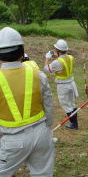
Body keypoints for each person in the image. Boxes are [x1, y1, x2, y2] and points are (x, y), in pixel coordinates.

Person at [0, 27, 55, 176]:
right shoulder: (37, 74)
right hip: (41, 133)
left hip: (11, 139)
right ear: (22, 50)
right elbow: (49, 105)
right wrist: (47, 127)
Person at [44, 39, 79, 130]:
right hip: (71, 83)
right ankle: (75, 123)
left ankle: (74, 124)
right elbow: (64, 61)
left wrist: (47, 58)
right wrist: (57, 56)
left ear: (58, 51)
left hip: (63, 85)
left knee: (66, 105)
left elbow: (47, 69)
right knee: (72, 104)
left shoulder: (57, 62)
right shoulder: (71, 57)